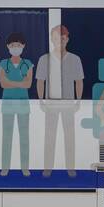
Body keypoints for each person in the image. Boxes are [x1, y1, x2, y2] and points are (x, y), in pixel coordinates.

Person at [34, 24, 84, 176]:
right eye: (56, 38)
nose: (59, 41)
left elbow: (79, 81)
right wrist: (42, 100)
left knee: (69, 137)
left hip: (68, 103)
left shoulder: (75, 59)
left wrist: (78, 101)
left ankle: (70, 168)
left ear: (67, 39)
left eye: (62, 38)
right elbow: (40, 81)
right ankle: (47, 168)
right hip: (51, 103)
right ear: (51, 39)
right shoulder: (44, 59)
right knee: (49, 137)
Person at [0, 32, 33, 176]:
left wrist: (12, 83)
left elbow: (28, 84)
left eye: (18, 45)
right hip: (8, 104)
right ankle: (5, 167)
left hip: (23, 104)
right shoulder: (3, 64)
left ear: (23, 46)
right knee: (7, 136)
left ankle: (25, 167)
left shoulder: (28, 64)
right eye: (12, 45)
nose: (15, 48)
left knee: (24, 136)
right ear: (7, 47)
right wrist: (19, 83)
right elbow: (3, 83)